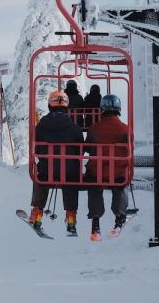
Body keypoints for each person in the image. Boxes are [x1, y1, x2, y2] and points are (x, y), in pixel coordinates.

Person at [30, 90, 85, 236]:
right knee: (71, 178)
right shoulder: (74, 128)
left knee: (40, 177)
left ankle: (37, 214)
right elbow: (81, 149)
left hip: (47, 171)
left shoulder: (41, 127)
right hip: (69, 173)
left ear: (50, 105)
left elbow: (35, 146)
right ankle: (71, 219)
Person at [86, 93, 132, 240]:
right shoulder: (125, 129)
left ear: (102, 109)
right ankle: (120, 217)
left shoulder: (94, 128)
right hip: (118, 173)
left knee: (94, 186)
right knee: (120, 184)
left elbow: (87, 148)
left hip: (96, 172)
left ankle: (95, 221)